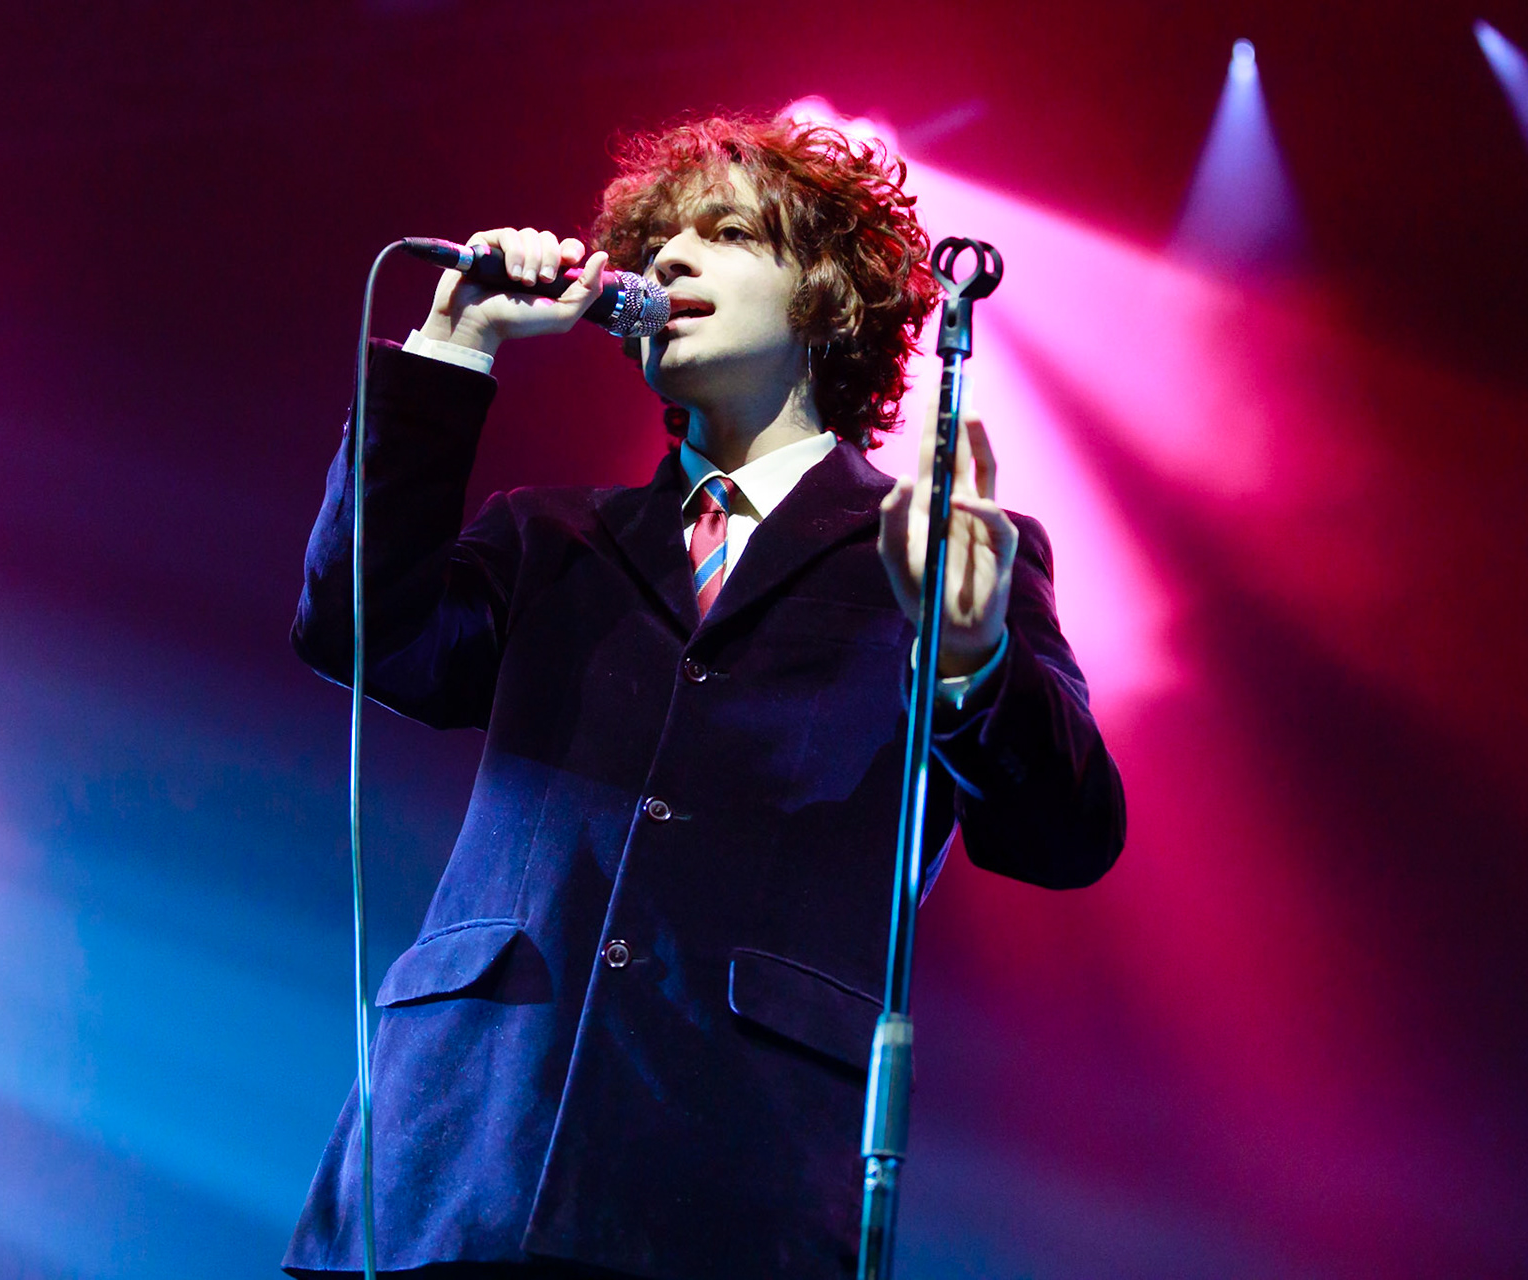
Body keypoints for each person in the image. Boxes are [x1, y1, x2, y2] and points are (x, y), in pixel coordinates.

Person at [285, 113, 1124, 1280]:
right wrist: (454, 341)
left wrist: (971, 658)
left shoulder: (937, 553)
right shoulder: (550, 535)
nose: (670, 258)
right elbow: (356, 626)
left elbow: (1067, 833)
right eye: (658, 239)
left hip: (733, 1179)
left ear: (828, 297)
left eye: (724, 233)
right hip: (461, 1155)